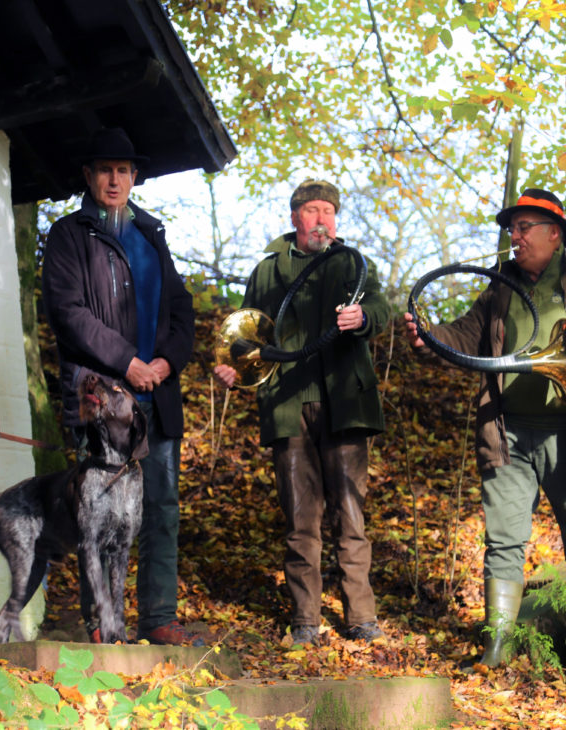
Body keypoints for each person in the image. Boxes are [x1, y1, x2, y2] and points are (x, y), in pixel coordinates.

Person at [402, 188, 566, 668]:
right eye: (512, 228)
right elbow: (467, 336)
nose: (516, 236)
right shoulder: (500, 287)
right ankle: (498, 651)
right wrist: (429, 338)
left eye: (525, 227)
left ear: (554, 235)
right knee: (503, 541)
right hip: (508, 435)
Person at [41, 127, 201, 646]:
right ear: (89, 176)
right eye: (105, 169)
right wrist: (126, 362)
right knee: (99, 517)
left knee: (161, 508)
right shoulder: (70, 236)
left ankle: (158, 616)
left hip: (158, 393)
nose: (115, 179)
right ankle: (102, 623)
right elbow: (69, 314)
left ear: (135, 177)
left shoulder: (153, 235)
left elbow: (182, 311)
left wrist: (164, 362)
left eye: (124, 170)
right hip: (101, 399)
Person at [214, 179, 391, 645]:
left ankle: (361, 618)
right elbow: (246, 332)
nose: (321, 220)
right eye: (311, 211)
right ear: (294, 217)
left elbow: (381, 308)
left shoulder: (353, 263)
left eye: (328, 211)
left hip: (345, 405)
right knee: (300, 520)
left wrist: (364, 318)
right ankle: (306, 621)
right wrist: (234, 365)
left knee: (351, 515)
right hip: (288, 405)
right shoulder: (269, 271)